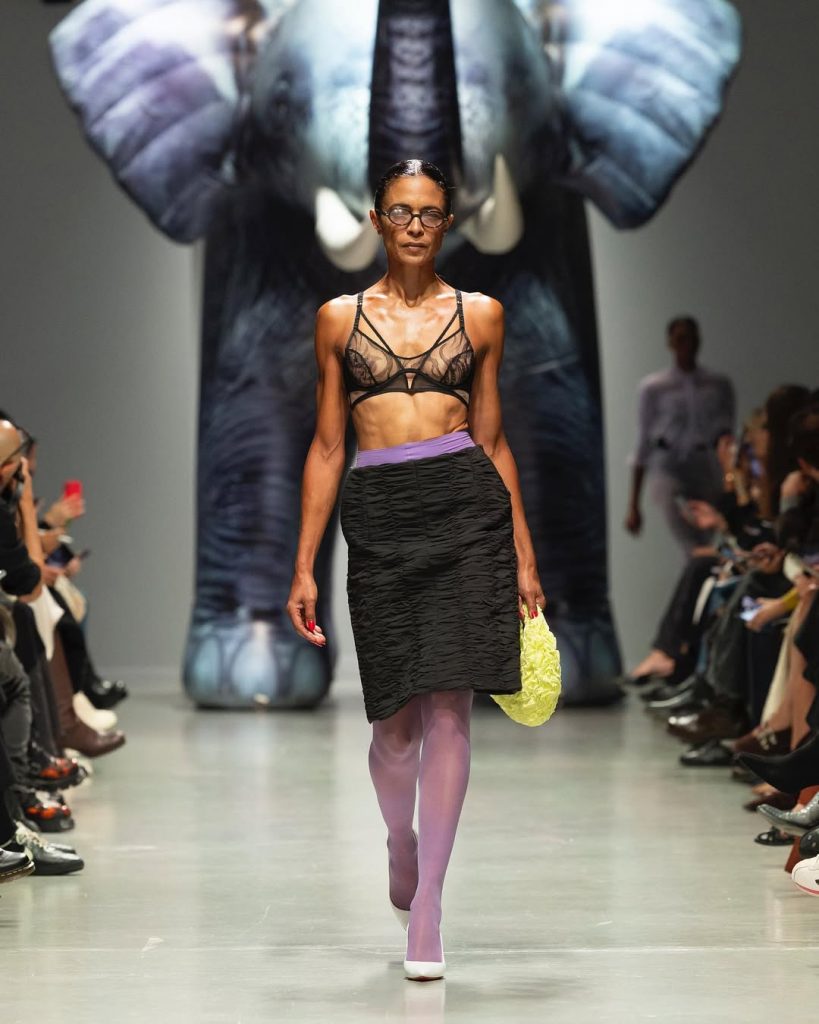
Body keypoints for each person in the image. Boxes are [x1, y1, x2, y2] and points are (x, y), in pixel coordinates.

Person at [286, 159, 545, 982]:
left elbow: (493, 440)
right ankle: (399, 839)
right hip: (381, 516)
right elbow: (328, 444)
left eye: (428, 213)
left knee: (451, 709)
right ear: (375, 219)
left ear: (447, 223)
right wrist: (303, 565)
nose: (413, 226)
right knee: (393, 728)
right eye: (399, 211)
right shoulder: (337, 319)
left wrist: (522, 554)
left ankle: (428, 901)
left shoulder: (480, 315)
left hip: (466, 509)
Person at [625, 316, 736, 556]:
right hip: (669, 467)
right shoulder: (654, 387)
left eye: (692, 338)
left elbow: (728, 436)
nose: (688, 344)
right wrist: (633, 505)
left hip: (706, 465)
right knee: (687, 539)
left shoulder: (718, 384)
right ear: (671, 343)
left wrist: (732, 480)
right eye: (681, 338)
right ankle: (699, 567)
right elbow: (643, 442)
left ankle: (711, 568)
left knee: (716, 529)